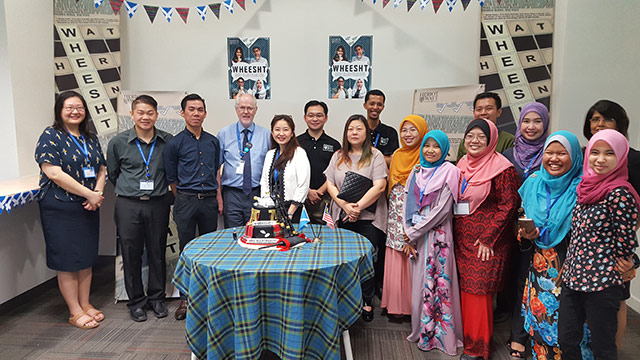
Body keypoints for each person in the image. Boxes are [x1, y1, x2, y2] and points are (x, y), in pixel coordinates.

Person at [558, 129, 640, 360]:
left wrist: (624, 265)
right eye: (595, 152)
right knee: (566, 338)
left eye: (609, 153)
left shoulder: (620, 193)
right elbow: (578, 235)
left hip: (602, 282)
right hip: (573, 278)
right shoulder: (585, 188)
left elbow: (625, 241)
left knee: (603, 345)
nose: (600, 159)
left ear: (621, 157)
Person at [35, 91, 107, 329]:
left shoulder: (90, 137)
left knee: (85, 257)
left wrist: (96, 193)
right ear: (59, 110)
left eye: (80, 107)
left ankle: (85, 304)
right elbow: (53, 173)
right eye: (69, 107)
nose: (75, 111)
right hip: (61, 205)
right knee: (67, 259)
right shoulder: (51, 135)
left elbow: (101, 169)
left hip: (88, 206)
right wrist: (89, 194)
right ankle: (74, 311)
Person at [454, 118, 520, 360]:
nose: (474, 141)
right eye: (470, 136)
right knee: (466, 291)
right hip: (461, 238)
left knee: (478, 292)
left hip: (486, 243)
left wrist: (488, 238)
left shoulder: (503, 168)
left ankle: (478, 349)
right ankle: (469, 339)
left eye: (481, 137)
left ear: (491, 139)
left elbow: (509, 205)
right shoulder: (462, 163)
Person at [107, 94, 173, 322]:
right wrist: (131, 189)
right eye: (140, 112)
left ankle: (156, 298)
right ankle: (136, 301)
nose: (145, 117)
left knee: (157, 251)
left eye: (150, 113)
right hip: (128, 204)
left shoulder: (167, 141)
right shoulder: (118, 143)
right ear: (132, 114)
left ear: (156, 115)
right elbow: (113, 174)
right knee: (131, 253)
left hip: (158, 204)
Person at [518, 131, 583, 359]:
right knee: (540, 323)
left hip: (572, 272)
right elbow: (523, 216)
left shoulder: (583, 189)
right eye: (550, 152)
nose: (554, 158)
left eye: (562, 153)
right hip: (539, 269)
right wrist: (526, 234)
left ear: (574, 157)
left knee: (569, 331)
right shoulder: (534, 183)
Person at [582, 99, 640, 349]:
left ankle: (612, 351)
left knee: (616, 300)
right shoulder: (588, 154)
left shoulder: (634, 159)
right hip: (586, 247)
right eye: (595, 119)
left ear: (620, 124)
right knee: (585, 305)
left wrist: (625, 243)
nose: (600, 124)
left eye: (607, 119)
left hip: (616, 250)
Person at [403, 130, 463, 355]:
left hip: (439, 239)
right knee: (419, 283)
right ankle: (420, 331)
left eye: (436, 146)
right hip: (417, 237)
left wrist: (413, 232)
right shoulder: (416, 171)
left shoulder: (450, 171)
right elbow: (406, 202)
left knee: (440, 284)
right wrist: (407, 231)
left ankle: (440, 336)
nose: (430, 150)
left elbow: (442, 210)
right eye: (427, 145)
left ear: (444, 149)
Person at [163, 93, 221, 320]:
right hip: (185, 201)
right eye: (191, 109)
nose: (196, 113)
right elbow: (172, 178)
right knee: (187, 250)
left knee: (209, 250)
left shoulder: (213, 141)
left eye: (200, 110)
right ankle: (185, 298)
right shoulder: (174, 143)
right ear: (183, 113)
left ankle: (209, 297)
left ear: (205, 114)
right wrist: (184, 198)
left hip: (208, 200)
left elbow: (216, 170)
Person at [325, 114, 388, 322]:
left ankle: (366, 300)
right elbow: (331, 185)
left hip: (368, 217)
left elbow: (380, 186)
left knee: (365, 258)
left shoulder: (376, 155)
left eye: (359, 129)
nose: (354, 132)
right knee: (341, 259)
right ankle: (343, 300)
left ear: (366, 133)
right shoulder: (338, 155)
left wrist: (358, 208)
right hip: (342, 214)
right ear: (346, 132)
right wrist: (345, 206)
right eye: (351, 129)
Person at [501, 102, 549, 357]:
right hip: (506, 225)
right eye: (526, 121)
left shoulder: (551, 153)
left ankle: (520, 334)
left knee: (527, 279)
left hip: (538, 229)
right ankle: (511, 321)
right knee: (508, 276)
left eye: (537, 121)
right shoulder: (509, 155)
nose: (531, 127)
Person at [380, 115, 428, 318]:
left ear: (422, 132)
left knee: (411, 255)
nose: (408, 135)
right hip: (394, 212)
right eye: (404, 130)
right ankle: (394, 306)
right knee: (394, 255)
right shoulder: (397, 154)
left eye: (413, 130)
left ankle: (410, 307)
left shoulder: (427, 156)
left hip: (415, 213)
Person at [217, 93, 271, 228]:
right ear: (236, 109)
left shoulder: (266, 135)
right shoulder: (224, 134)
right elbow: (216, 169)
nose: (246, 112)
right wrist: (219, 198)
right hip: (231, 194)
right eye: (242, 108)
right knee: (233, 234)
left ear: (255, 110)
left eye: (250, 108)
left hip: (257, 193)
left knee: (257, 233)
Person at [297, 100, 341, 224]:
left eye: (319, 115)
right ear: (305, 118)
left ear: (326, 118)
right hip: (300, 197)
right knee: (300, 234)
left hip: (325, 198)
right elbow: (291, 171)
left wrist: (320, 192)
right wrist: (307, 191)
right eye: (311, 115)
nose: (315, 119)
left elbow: (336, 173)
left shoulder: (334, 144)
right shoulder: (296, 143)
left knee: (325, 235)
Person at [260, 115, 310, 220]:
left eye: (286, 130)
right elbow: (264, 181)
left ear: (292, 133)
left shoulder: (299, 153)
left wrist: (290, 213)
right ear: (272, 132)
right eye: (277, 130)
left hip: (293, 211)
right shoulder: (270, 154)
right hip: (271, 211)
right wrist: (267, 204)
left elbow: (303, 185)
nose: (281, 134)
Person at [456, 92, 515, 161]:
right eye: (479, 109)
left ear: (499, 112)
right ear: (474, 113)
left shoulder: (509, 140)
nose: (483, 113)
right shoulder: (466, 142)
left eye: (489, 108)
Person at [364, 89, 399, 167]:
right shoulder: (358, 131)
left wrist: (367, 157)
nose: (375, 107)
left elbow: (392, 161)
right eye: (372, 104)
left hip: (383, 176)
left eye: (379, 104)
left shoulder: (391, 132)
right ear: (365, 105)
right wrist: (383, 158)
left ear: (383, 107)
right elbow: (353, 157)